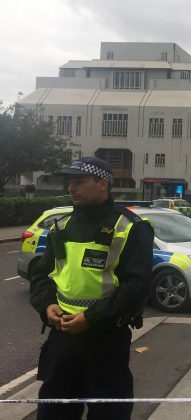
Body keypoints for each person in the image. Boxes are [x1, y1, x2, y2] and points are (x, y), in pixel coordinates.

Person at [30, 157, 154, 420]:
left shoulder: (133, 228)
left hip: (106, 340)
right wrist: (47, 306)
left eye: (79, 182)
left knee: (109, 414)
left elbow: (136, 286)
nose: (71, 188)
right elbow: (41, 276)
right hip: (62, 339)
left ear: (102, 184)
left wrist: (90, 318)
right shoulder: (61, 227)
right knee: (53, 414)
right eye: (69, 183)